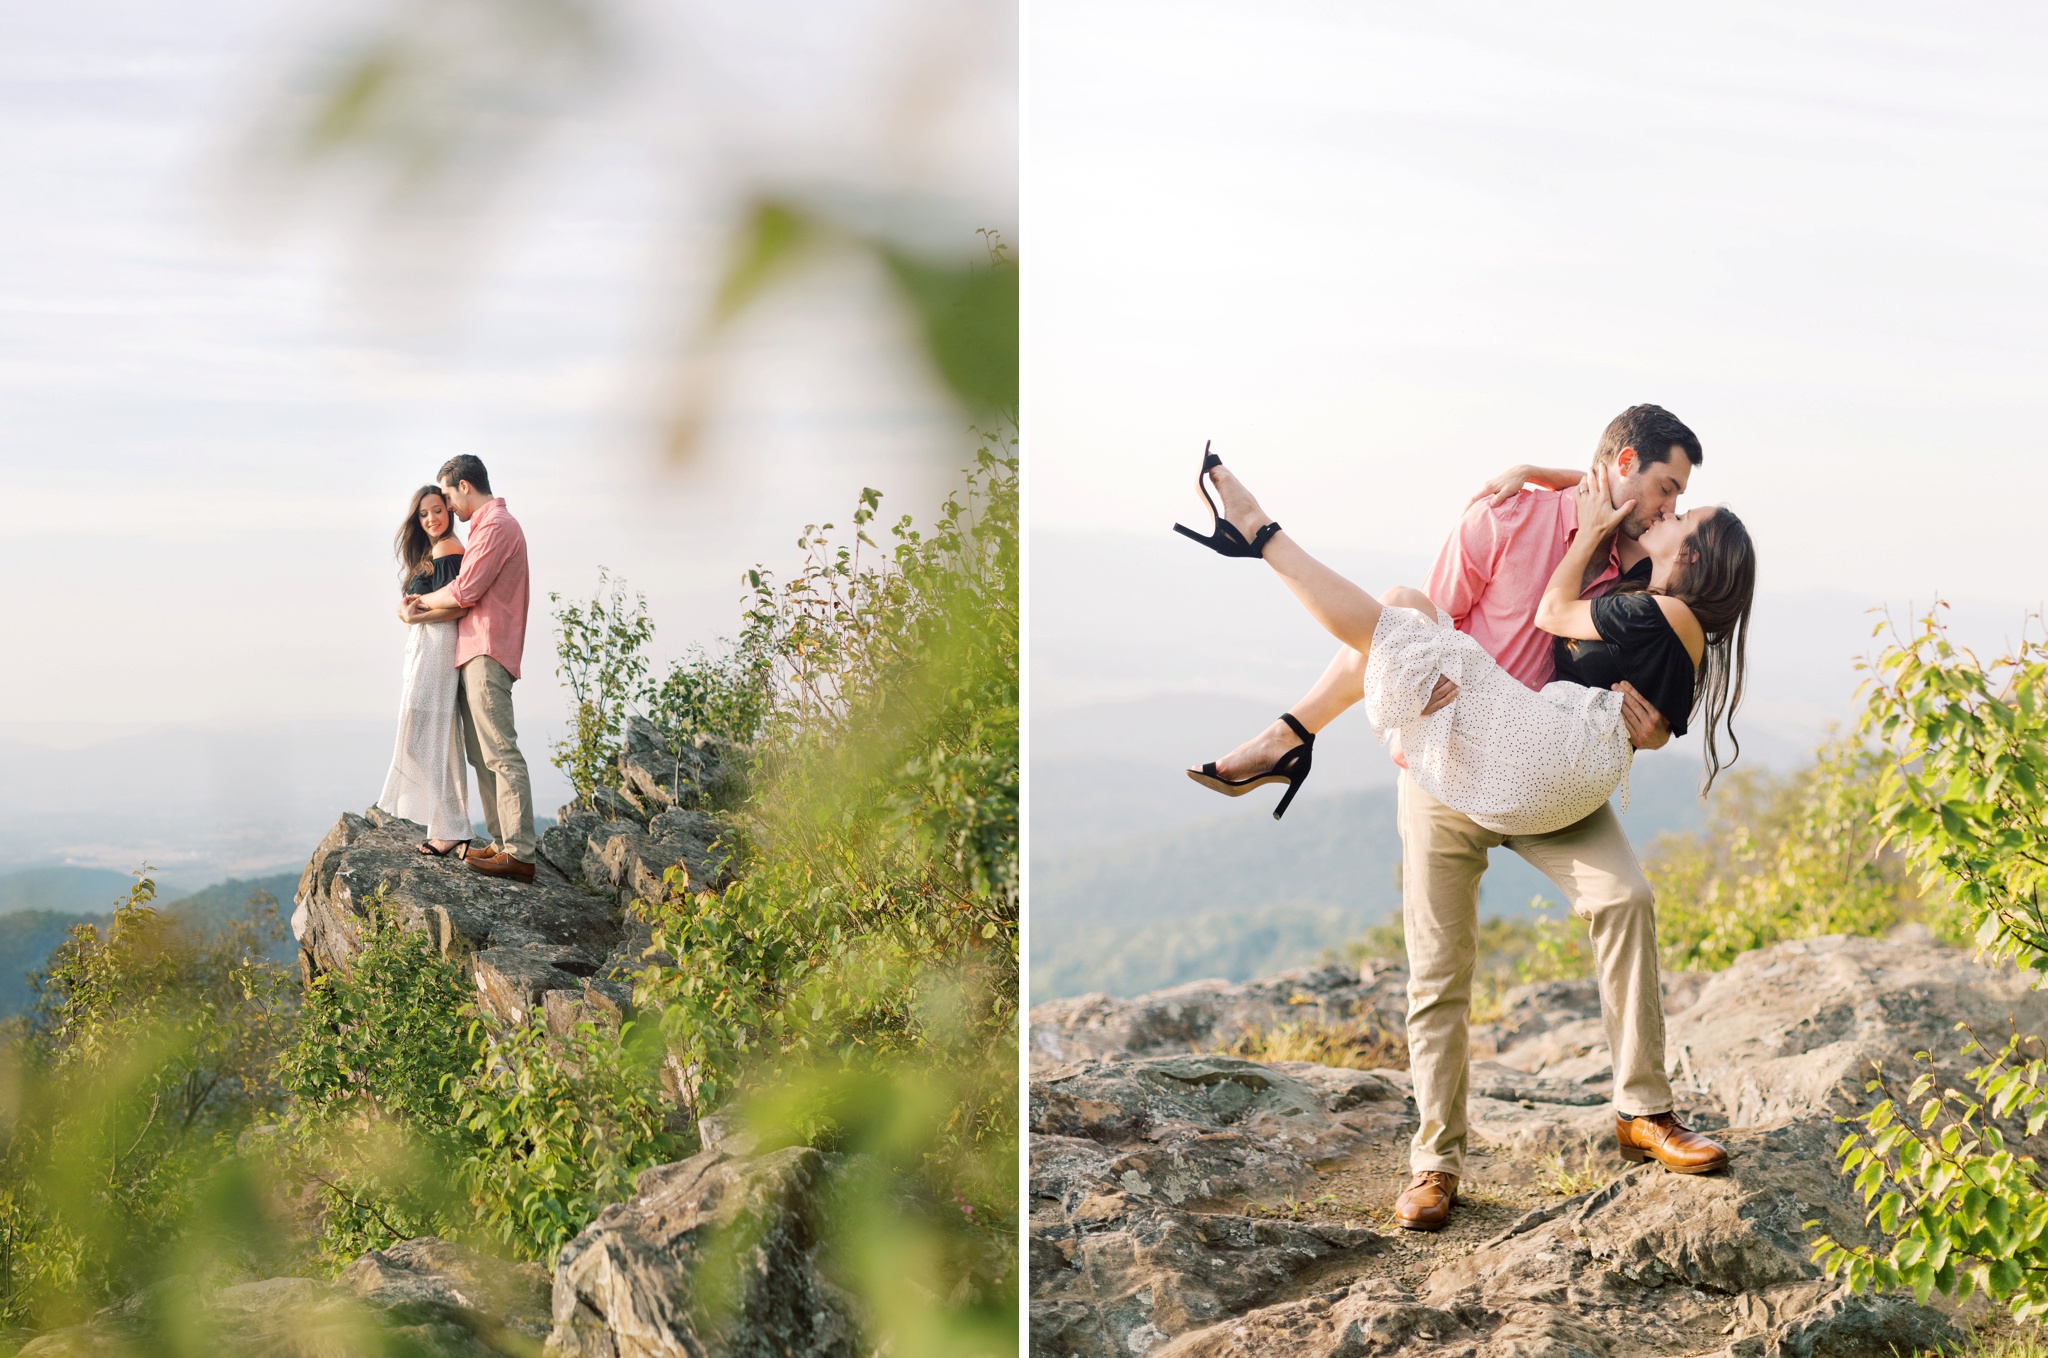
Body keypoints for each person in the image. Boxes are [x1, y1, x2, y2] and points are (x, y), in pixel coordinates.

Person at [1180, 405, 1747, 1231]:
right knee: (1438, 974)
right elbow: (1409, 631)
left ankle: (1644, 1112)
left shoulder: (1645, 576)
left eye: (1679, 500)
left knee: (1626, 899)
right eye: (1665, 488)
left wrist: (1650, 726)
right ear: (1623, 465)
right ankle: (1434, 1164)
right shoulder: (1506, 515)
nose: (1669, 509)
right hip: (1450, 764)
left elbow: (1656, 698)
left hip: (1550, 778)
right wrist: (1423, 665)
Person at [403, 455, 537, 883]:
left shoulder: (496, 526)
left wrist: (420, 606)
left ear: (464, 486)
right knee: (482, 755)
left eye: (447, 495)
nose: (447, 506)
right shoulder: (484, 528)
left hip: (488, 649)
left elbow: (466, 589)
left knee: (500, 751)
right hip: (473, 650)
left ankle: (519, 852)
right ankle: (501, 844)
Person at [375, 486, 472, 856]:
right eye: (424, 514)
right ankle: (449, 825)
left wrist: (414, 614)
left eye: (437, 510)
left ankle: (452, 826)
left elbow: (460, 606)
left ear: (448, 511)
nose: (432, 519)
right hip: (425, 648)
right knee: (429, 739)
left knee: (422, 738)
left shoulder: (448, 549)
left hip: (438, 647)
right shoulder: (433, 552)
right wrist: (409, 615)